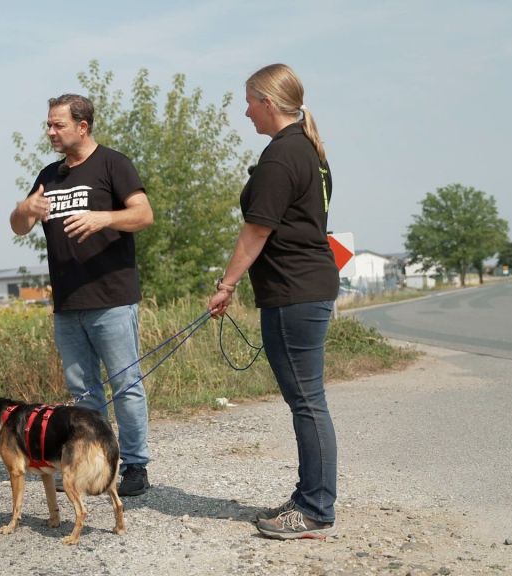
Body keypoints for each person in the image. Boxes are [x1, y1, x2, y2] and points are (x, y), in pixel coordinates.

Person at [207, 64, 339, 540]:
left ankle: (315, 509)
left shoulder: (282, 156)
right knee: (307, 400)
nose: (245, 112)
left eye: (249, 102)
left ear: (268, 101)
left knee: (306, 401)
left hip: (294, 291)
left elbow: (256, 229)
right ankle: (309, 496)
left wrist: (226, 284)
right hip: (305, 287)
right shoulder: (305, 149)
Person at [9, 94, 154, 497]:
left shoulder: (113, 164)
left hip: (112, 299)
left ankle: (137, 465)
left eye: (58, 125)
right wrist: (25, 208)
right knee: (85, 392)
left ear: (82, 126)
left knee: (126, 384)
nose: (50, 132)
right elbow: (19, 226)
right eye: (49, 125)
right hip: (68, 302)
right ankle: (99, 460)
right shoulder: (49, 175)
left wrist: (104, 217)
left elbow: (144, 214)